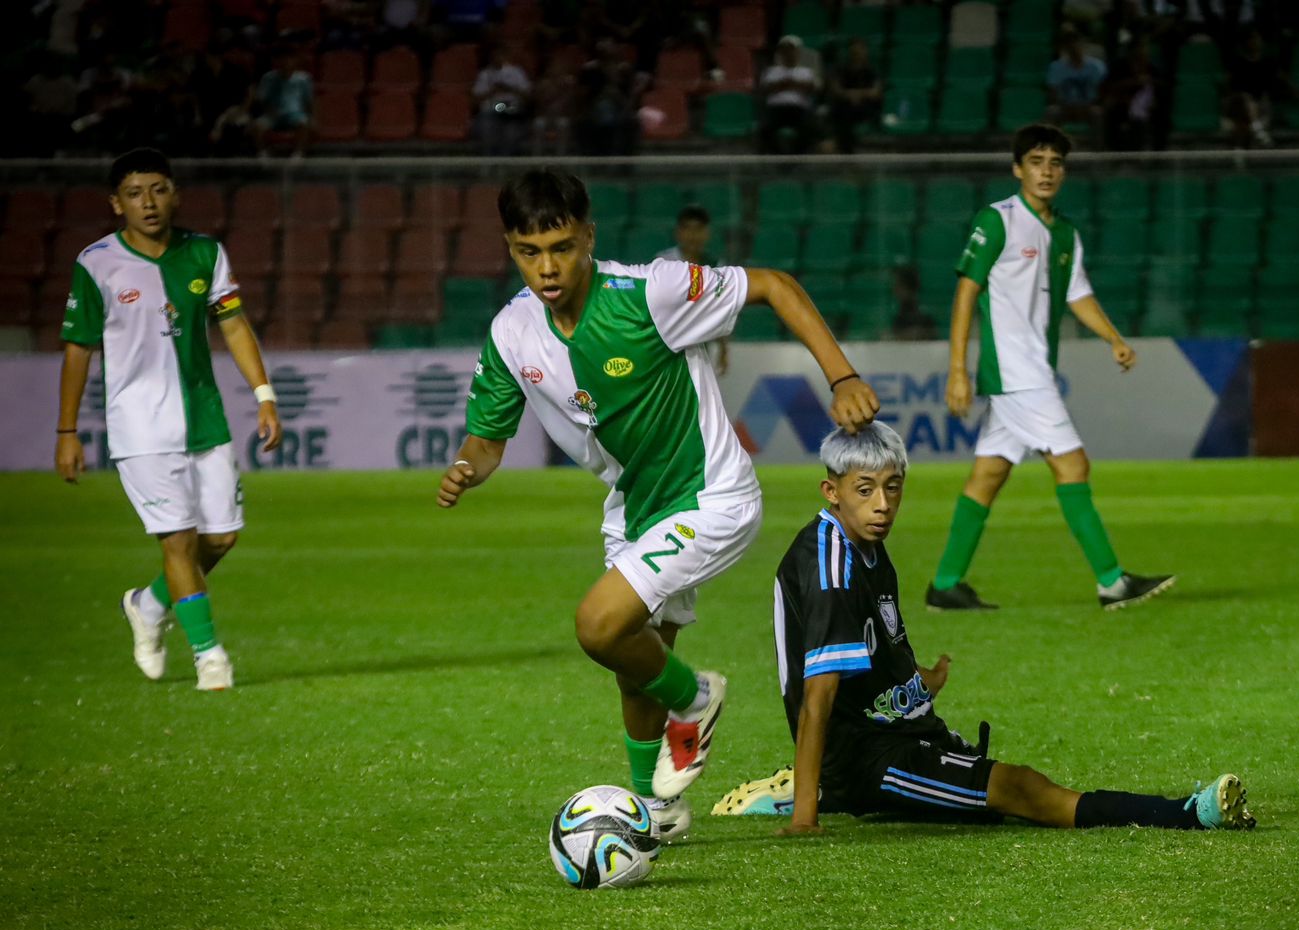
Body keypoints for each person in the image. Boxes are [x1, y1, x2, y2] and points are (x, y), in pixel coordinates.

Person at [436, 168, 880, 838]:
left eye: (561, 246)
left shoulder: (652, 291)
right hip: (633, 508)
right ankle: (657, 811)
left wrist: (841, 376)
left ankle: (696, 699)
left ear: (588, 235)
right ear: (509, 248)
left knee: (599, 626)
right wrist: (469, 465)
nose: (548, 267)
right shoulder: (511, 333)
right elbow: (489, 436)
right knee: (634, 663)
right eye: (530, 252)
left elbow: (775, 287)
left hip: (711, 497)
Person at [722, 422, 1254, 835]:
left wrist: (921, 678)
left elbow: (876, 643)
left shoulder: (867, 546)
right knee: (1019, 789)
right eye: (865, 490)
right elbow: (819, 696)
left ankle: (809, 789)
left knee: (983, 799)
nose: (883, 505)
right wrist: (807, 821)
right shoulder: (831, 565)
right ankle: (1190, 814)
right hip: (868, 756)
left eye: (893, 488)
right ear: (831, 491)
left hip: (901, 728)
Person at [55, 148, 282, 691]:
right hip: (139, 428)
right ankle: (210, 657)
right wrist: (66, 432)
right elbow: (78, 350)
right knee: (178, 542)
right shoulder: (97, 263)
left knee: (220, 540)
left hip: (204, 419)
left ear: (175, 193)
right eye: (134, 193)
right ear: (116, 204)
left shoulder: (205, 253)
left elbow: (232, 325)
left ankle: (150, 603)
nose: (148, 202)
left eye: (158, 189)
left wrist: (264, 394)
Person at [927, 124, 1173, 612]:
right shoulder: (996, 221)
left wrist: (1113, 339)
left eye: (1055, 163)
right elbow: (965, 292)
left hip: (1031, 371)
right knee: (1072, 464)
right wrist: (958, 369)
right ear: (1018, 169)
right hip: (1017, 374)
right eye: (1036, 162)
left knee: (987, 477)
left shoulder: (1064, 233)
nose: (1046, 172)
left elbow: (1078, 294)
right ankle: (1112, 581)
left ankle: (946, 585)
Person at [655, 205, 729, 374]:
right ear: (678, 232)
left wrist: (724, 348)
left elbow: (720, 307)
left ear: (707, 233)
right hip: (666, 342)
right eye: (687, 229)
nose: (692, 235)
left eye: (698, 229)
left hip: (701, 344)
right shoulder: (664, 262)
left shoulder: (716, 266)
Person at [759, 35, 819, 154]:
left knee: (809, 128)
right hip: (776, 109)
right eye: (784, 50)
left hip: (799, 109)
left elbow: (810, 88)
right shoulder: (771, 71)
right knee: (765, 129)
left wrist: (783, 85)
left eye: (791, 50)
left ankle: (795, 161)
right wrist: (792, 84)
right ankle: (779, 159)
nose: (788, 53)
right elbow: (766, 89)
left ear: (797, 52)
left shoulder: (806, 72)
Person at [472, 45, 534, 156]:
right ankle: (487, 164)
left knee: (511, 134)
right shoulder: (485, 74)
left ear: (506, 56)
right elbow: (476, 100)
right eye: (495, 56)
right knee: (486, 129)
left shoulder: (517, 72)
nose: (498, 58)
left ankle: (505, 167)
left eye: (501, 55)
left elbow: (528, 96)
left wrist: (509, 89)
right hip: (491, 110)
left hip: (513, 111)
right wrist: (493, 91)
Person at [254, 47, 315, 156]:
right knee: (257, 126)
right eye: (282, 59)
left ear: (295, 60)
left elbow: (309, 100)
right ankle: (263, 154)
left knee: (304, 123)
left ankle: (297, 154)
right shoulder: (268, 78)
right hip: (272, 115)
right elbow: (262, 99)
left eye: (289, 59)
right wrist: (270, 111)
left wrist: (312, 117)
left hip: (295, 114)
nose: (285, 62)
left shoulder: (304, 78)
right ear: (277, 61)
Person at [826, 37, 882, 154]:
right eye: (854, 51)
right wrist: (852, 96)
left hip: (865, 107)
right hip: (845, 106)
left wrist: (856, 94)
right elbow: (836, 90)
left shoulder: (871, 71)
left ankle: (845, 152)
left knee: (847, 114)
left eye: (860, 50)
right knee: (842, 113)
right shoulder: (841, 70)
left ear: (865, 51)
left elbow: (875, 92)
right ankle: (847, 153)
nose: (857, 53)